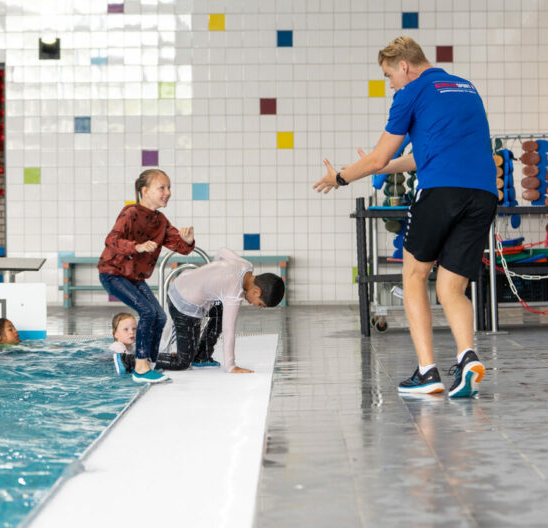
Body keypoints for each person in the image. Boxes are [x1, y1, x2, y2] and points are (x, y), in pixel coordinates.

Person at [312, 36, 496, 398]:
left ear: (404, 66)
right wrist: (377, 164)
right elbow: (421, 155)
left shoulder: (410, 92)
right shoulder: (464, 87)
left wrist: (342, 176)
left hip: (440, 193)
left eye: (388, 75)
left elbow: (379, 158)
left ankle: (427, 372)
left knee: (414, 274)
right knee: (451, 288)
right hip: (483, 195)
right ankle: (467, 356)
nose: (390, 83)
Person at [98, 169, 195, 384]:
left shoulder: (160, 220)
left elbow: (179, 246)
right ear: (145, 191)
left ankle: (147, 362)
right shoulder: (130, 212)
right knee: (147, 312)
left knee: (159, 316)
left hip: (134, 278)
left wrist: (187, 241)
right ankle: (140, 368)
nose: (168, 192)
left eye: (169, 187)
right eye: (162, 187)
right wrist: (138, 246)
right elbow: (111, 240)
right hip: (112, 273)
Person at [153, 247, 285, 374]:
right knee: (183, 361)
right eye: (260, 304)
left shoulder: (246, 265)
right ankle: (141, 359)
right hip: (183, 306)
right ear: (256, 292)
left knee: (220, 310)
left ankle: (202, 355)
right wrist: (231, 366)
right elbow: (228, 330)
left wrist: (212, 276)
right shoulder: (234, 292)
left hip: (181, 283)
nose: (257, 306)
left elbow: (222, 251)